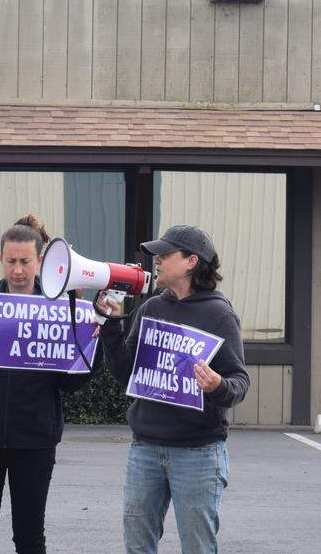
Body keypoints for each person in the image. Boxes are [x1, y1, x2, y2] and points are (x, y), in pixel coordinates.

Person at [0, 214, 96, 554]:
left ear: (40, 260)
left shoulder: (59, 309)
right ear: (0, 259)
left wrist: (92, 346)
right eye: (10, 261)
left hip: (35, 442)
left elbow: (71, 384)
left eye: (25, 261)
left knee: (29, 538)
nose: (17, 270)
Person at [96, 224, 250, 554]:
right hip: (146, 449)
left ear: (192, 262)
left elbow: (240, 382)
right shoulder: (152, 308)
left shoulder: (220, 315)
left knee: (197, 547)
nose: (157, 261)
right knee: (137, 544)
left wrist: (218, 385)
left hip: (198, 453)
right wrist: (110, 327)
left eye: (165, 255)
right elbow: (128, 373)